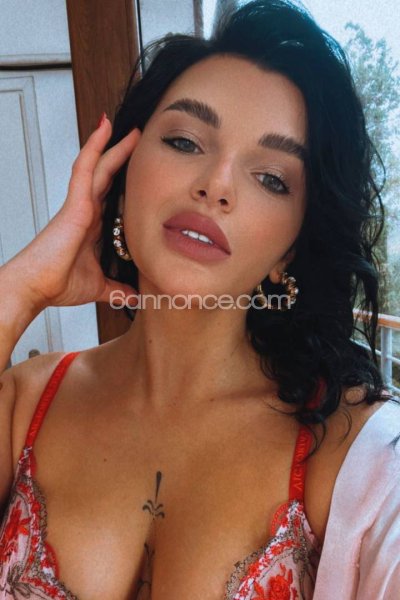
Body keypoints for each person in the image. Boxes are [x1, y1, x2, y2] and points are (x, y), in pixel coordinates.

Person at [0, 0, 399, 598]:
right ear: (122, 175)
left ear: (290, 249)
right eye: (186, 141)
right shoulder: (24, 404)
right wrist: (19, 288)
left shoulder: (351, 449)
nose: (216, 184)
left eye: (271, 178)